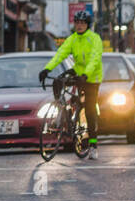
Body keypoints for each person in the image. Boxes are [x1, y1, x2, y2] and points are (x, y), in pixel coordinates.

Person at [39, 9, 103, 159]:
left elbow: (95, 59)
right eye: (77, 23)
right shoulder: (72, 39)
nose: (79, 26)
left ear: (88, 25)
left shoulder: (95, 39)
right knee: (60, 82)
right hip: (78, 73)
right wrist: (47, 69)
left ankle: (93, 144)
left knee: (90, 110)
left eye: (83, 23)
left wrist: (86, 74)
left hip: (92, 77)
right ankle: (67, 116)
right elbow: (60, 54)